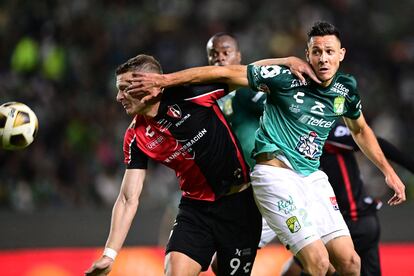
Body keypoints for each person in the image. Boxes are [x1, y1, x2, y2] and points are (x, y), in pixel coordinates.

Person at [126, 21, 406, 276]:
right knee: (313, 262)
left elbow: (360, 130)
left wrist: (388, 171)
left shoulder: (344, 89)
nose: (323, 58)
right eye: (317, 51)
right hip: (268, 182)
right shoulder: (257, 86)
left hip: (309, 180)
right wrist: (164, 81)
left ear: (341, 54)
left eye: (329, 51)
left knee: (349, 263)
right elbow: (223, 74)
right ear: (307, 54)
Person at [85, 54, 314, 276]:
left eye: (125, 88)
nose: (118, 97)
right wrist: (110, 254)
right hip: (195, 210)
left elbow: (243, 72)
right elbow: (127, 198)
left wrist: (285, 62)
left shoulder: (191, 93)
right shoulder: (136, 137)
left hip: (240, 205)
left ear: (150, 86)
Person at [277, 121, 414, 276]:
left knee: (305, 268)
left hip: (350, 220)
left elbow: (375, 141)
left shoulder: (326, 132)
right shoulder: (292, 138)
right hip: (358, 221)